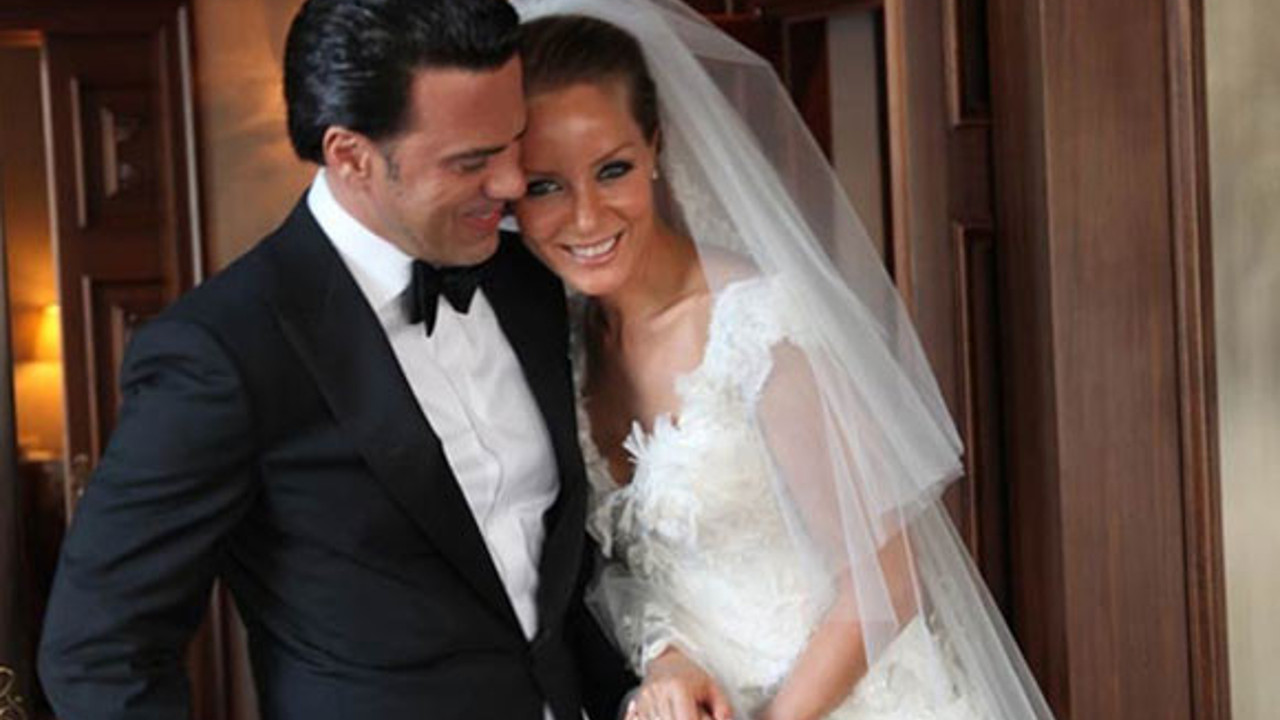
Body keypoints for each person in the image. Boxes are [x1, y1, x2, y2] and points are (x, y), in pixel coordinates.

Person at [37, 1, 727, 718]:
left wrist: (660, 659)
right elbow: (96, 652)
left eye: (512, 142)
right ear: (351, 156)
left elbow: (557, 558)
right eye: (471, 161)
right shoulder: (223, 351)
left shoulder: (527, 279)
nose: (511, 184)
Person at [511, 1, 1058, 719]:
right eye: (545, 185)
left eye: (612, 169)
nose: (585, 216)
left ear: (656, 149)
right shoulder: (562, 345)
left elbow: (887, 583)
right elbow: (620, 570)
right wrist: (667, 657)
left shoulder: (757, 330)